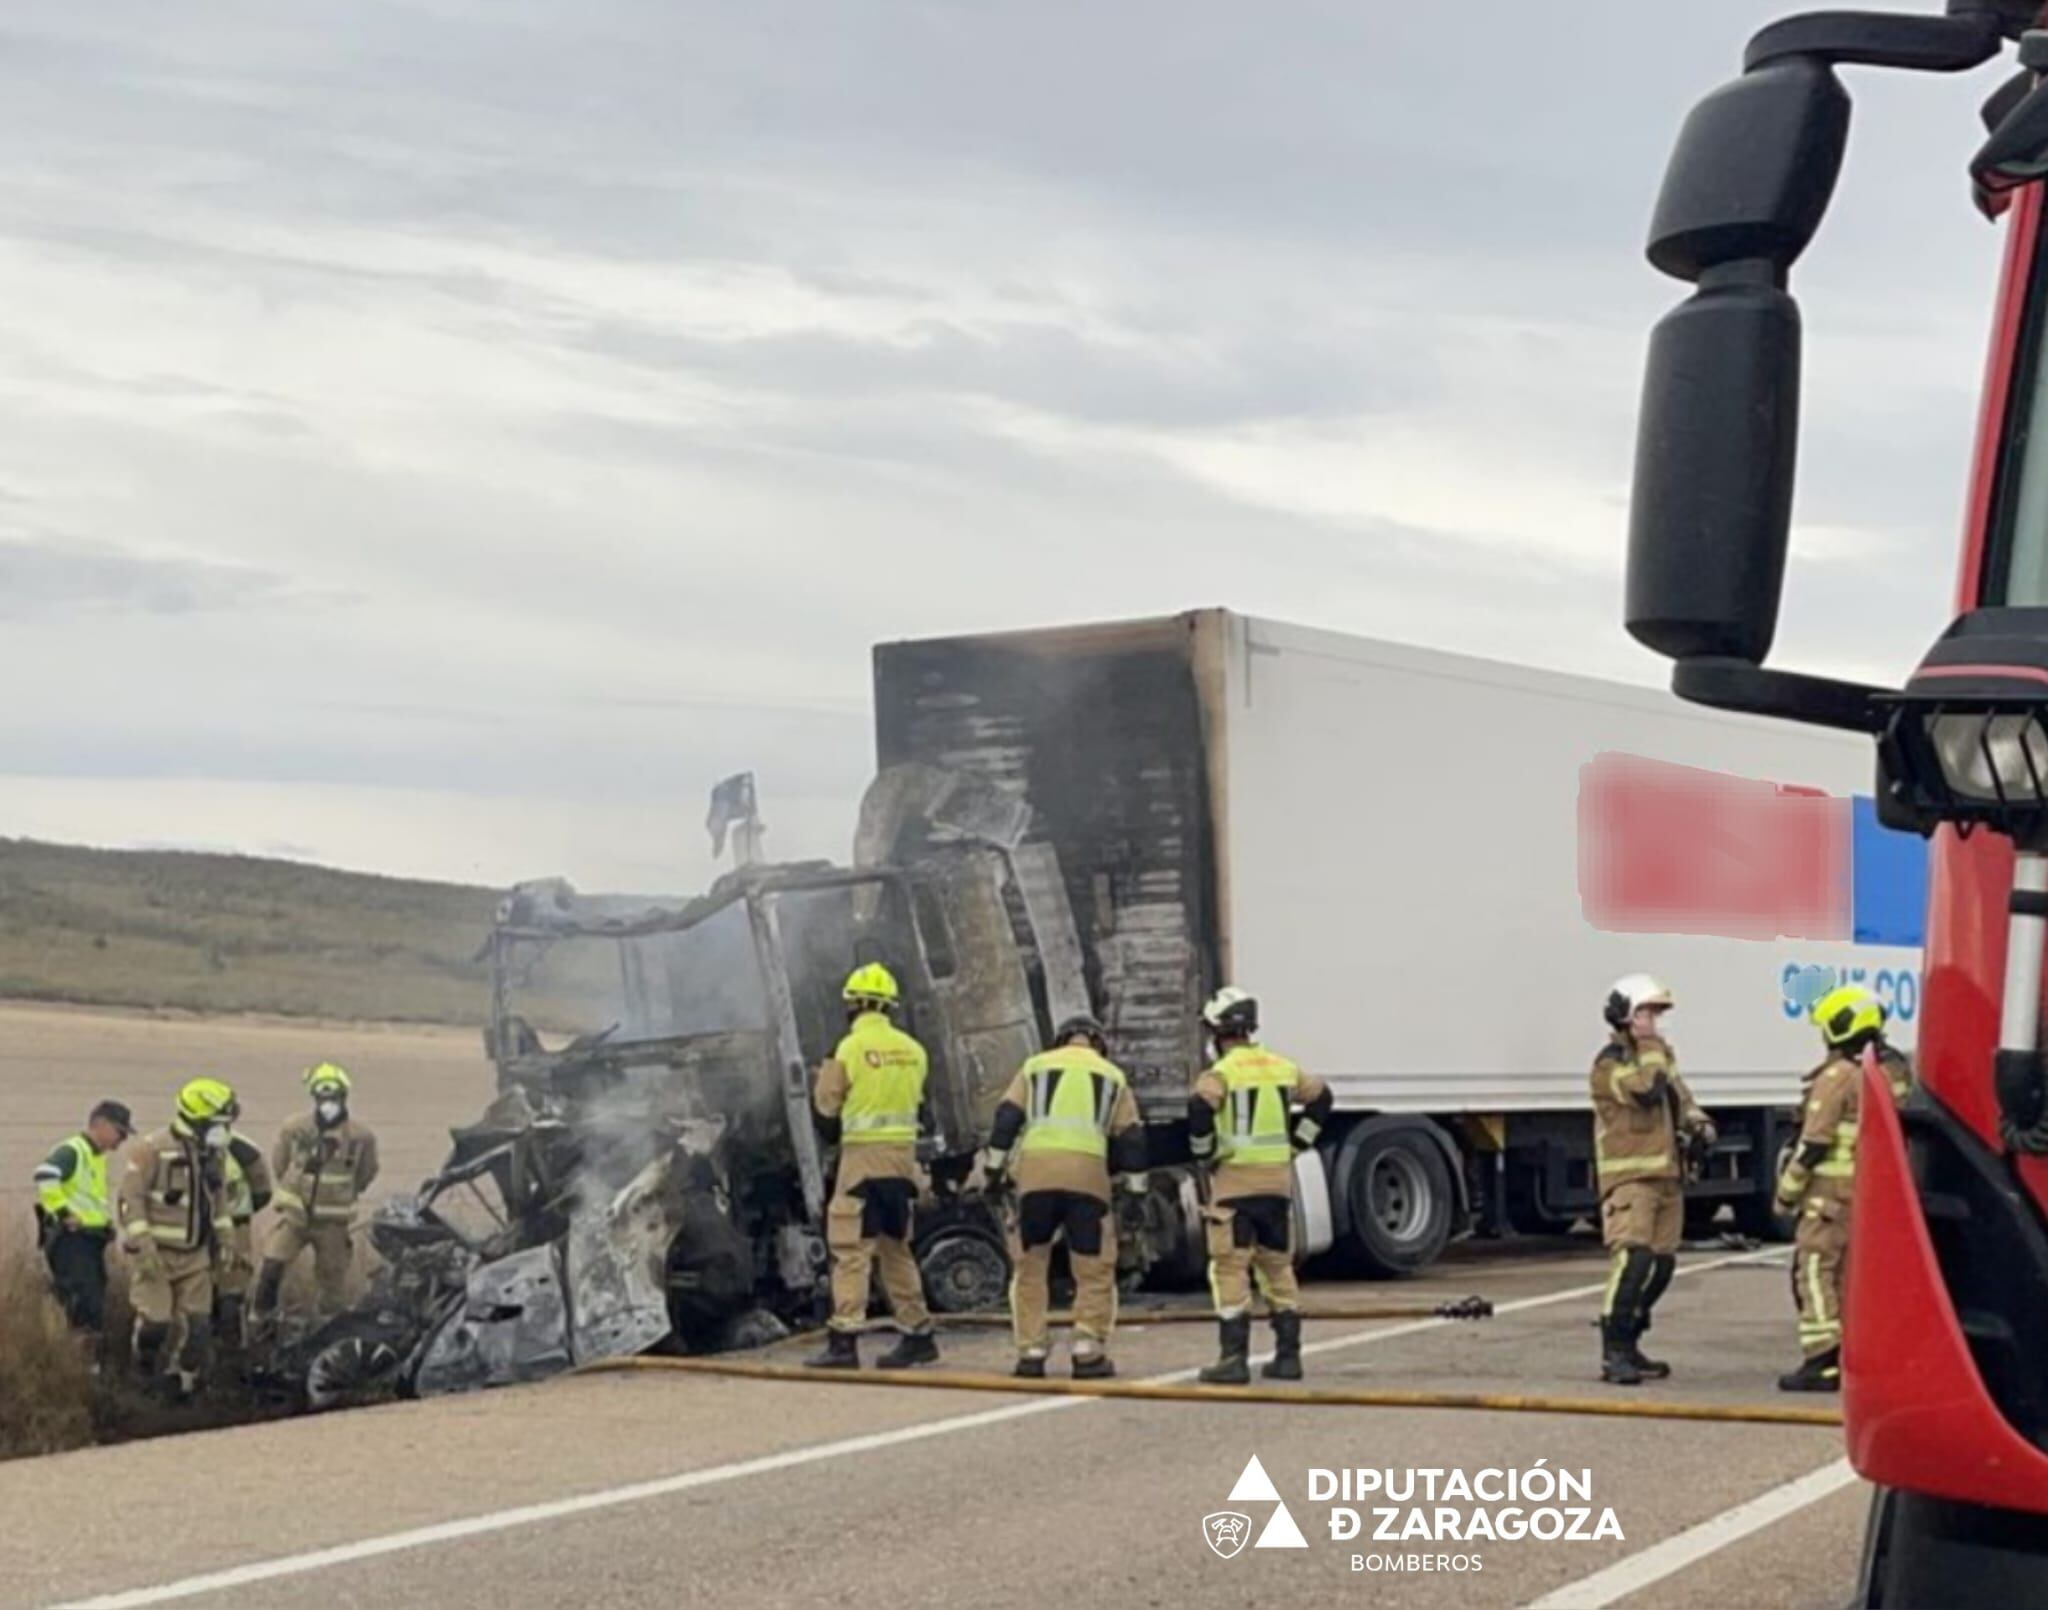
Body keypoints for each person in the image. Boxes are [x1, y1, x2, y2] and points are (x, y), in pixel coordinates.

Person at [982, 1015, 1147, 1378]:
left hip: (1035, 1178)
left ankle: (1031, 1351)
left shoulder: (1035, 1066)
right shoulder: (1113, 1076)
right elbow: (1132, 1140)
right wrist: (1136, 1195)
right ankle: (1088, 1350)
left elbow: (1007, 1118)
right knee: (1093, 1268)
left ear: (1061, 1040)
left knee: (1030, 1266)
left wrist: (993, 1171)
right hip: (1088, 1179)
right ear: (1098, 1042)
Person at [1187, 986, 1333, 1385]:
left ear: (1219, 1032)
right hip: (1275, 1187)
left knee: (1231, 1269)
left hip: (1234, 1187)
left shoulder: (1221, 1074)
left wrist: (1205, 1151)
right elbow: (1322, 1098)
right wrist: (1298, 1142)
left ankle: (1232, 1359)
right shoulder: (1282, 1067)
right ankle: (1288, 1356)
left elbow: (1200, 1106)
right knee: (1277, 1267)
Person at [804, 964, 939, 1370]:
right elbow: (922, 1105)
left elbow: (826, 1109)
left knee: (850, 1251)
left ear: (856, 1004)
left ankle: (844, 1341)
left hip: (861, 1164)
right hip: (902, 1163)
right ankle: (918, 1335)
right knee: (896, 1249)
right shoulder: (914, 1050)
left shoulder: (846, 1049)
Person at [1591, 974, 1716, 1386]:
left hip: (1666, 1177)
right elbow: (1647, 1091)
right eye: (1646, 1012)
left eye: (1656, 1014)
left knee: (1661, 1266)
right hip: (1631, 1180)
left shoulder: (1659, 1056)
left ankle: (1632, 1343)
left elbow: (1677, 1095)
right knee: (1633, 1260)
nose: (1654, 1022)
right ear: (1625, 1015)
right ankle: (1613, 1350)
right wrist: (1649, 1046)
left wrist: (1699, 1124)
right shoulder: (1609, 1064)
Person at [1775, 983, 1892, 1392]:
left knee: (1813, 1270)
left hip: (1826, 1195)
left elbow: (1814, 1143)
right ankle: (1843, 1355)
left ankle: (1821, 1358)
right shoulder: (1875, 1077)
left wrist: (1786, 1193)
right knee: (1844, 1275)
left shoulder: (1836, 1077)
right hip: (1858, 1196)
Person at [117, 1079, 237, 1397]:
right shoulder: (150, 1149)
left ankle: (183, 1384)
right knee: (156, 1323)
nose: (222, 1130)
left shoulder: (214, 1156)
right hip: (155, 1255)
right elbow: (131, 1200)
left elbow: (220, 1201)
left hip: (195, 1257)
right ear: (197, 1118)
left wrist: (226, 1239)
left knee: (198, 1328)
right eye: (217, 1123)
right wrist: (143, 1248)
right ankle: (141, 1374)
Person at [251, 1062, 379, 1332]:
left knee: (332, 1280)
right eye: (323, 1098)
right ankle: (261, 1320)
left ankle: (326, 1329)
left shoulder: (360, 1137)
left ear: (344, 1097)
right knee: (273, 1264)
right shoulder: (295, 1128)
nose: (328, 1104)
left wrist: (343, 1196)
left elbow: (367, 1172)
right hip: (294, 1218)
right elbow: (280, 1163)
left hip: (333, 1224)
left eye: (333, 1098)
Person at [31, 1100, 133, 1339]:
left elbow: (89, 1199)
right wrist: (63, 1214)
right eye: (120, 1131)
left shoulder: (95, 1156)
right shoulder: (73, 1150)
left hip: (89, 1241)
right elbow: (45, 1175)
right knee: (83, 1303)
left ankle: (85, 1357)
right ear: (101, 1125)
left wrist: (105, 1224)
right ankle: (81, 1358)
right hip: (71, 1241)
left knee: (92, 1301)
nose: (123, 1139)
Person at [213, 1116, 274, 1350]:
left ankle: (230, 1346)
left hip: (234, 1226)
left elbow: (262, 1192)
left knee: (232, 1291)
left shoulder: (243, 1151)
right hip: (203, 1228)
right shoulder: (243, 1148)